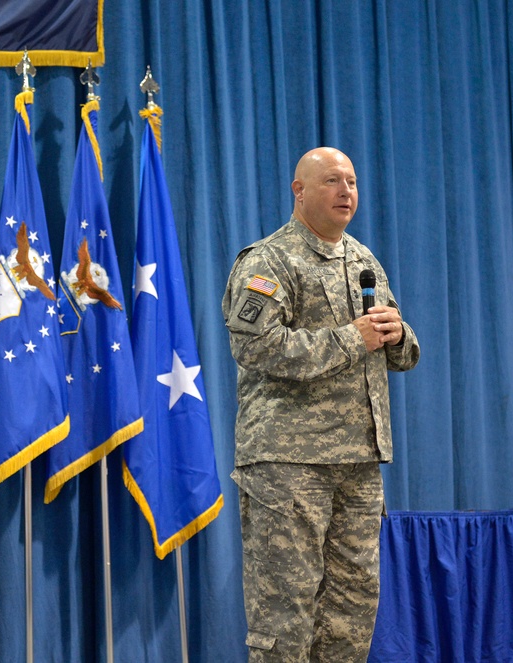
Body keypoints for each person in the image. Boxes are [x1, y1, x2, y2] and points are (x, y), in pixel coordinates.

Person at [222, 147, 420, 662]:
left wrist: (398, 335)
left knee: (350, 619)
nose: (346, 192)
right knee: (284, 619)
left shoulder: (362, 259)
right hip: (289, 465)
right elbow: (256, 346)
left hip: (357, 463)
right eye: (332, 181)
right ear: (300, 190)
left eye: (352, 181)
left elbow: (400, 352)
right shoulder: (268, 260)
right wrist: (353, 339)